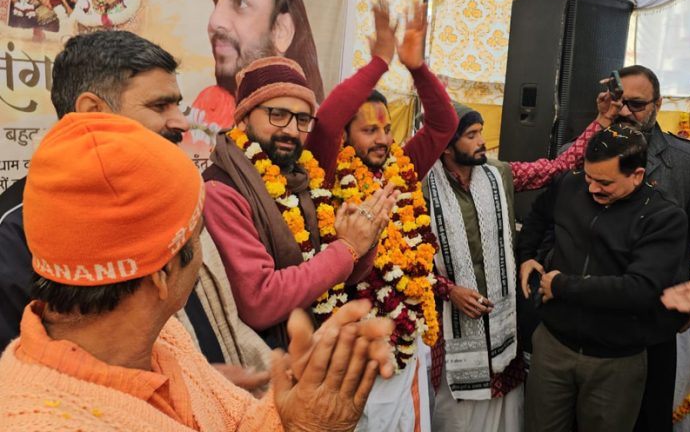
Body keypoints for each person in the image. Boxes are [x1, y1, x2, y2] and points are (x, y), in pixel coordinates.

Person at [0, 112, 396, 430]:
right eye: (198, 238)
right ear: (161, 275)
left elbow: (240, 421)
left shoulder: (161, 335)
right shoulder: (42, 419)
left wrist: (290, 415)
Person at [304, 0, 457, 432]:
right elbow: (327, 121)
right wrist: (378, 62)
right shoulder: (327, 170)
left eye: (387, 128)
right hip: (346, 340)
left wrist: (418, 68)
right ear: (349, 137)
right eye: (370, 129)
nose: (384, 139)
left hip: (401, 337)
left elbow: (443, 125)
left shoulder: (401, 168)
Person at [425, 98, 615, 432]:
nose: (482, 140)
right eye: (471, 134)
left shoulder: (498, 174)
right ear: (446, 146)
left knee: (505, 413)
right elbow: (409, 264)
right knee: (453, 417)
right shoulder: (420, 188)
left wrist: (599, 120)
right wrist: (449, 290)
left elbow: (556, 168)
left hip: (500, 321)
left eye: (481, 131)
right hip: (446, 326)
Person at [0, 30, 189, 352]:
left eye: (177, 105)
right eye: (160, 106)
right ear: (92, 111)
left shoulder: (164, 200)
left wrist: (198, 373)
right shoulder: (11, 236)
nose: (181, 122)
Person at [203, 55, 399, 349]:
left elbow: (342, 276)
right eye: (278, 115)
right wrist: (346, 249)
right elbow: (259, 302)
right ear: (243, 117)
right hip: (262, 367)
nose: (292, 131)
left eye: (302, 119)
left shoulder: (300, 176)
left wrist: (365, 238)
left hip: (313, 354)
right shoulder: (221, 189)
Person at [517, 123, 689, 432]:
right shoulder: (570, 185)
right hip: (553, 347)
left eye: (605, 182)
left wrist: (561, 285)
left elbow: (640, 290)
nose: (592, 188)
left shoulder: (664, 217)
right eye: (588, 177)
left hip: (616, 361)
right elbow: (539, 215)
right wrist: (527, 255)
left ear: (637, 175)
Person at [597, 64, 690, 432]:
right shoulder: (582, 155)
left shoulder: (686, 162)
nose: (625, 111)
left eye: (636, 104)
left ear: (658, 104)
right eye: (619, 101)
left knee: (648, 418)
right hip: (593, 316)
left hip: (655, 321)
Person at [204, 0, 323, 106]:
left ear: (281, 31)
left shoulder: (302, 126)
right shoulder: (205, 109)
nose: (214, 21)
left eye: (240, 3)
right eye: (216, 0)